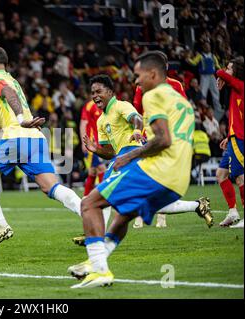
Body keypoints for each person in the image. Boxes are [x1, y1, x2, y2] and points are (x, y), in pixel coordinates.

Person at [68, 52, 205, 288]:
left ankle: (99, 269)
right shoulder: (182, 102)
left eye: (139, 76)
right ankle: (96, 262)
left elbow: (161, 138)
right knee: (123, 214)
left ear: (153, 73)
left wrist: (130, 154)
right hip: (179, 179)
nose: (137, 82)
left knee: (89, 203)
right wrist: (97, 149)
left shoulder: (152, 96)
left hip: (155, 169)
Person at [72, 73, 212, 247]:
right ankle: (197, 205)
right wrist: (97, 150)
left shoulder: (122, 106)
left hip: (133, 154)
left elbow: (136, 118)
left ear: (109, 91)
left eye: (98, 91)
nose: (95, 96)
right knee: (146, 203)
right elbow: (109, 151)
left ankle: (94, 236)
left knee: (104, 193)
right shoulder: (101, 120)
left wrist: (137, 130)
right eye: (92, 93)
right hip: (120, 158)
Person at [0, 46, 82, 251]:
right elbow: (8, 118)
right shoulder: (12, 79)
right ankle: (90, 216)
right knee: (52, 187)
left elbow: (8, 94)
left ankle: (0, 226)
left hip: (16, 138)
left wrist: (21, 119)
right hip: (35, 139)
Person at [132, 51, 188, 228]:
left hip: (170, 138)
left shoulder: (176, 85)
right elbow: (137, 111)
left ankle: (161, 215)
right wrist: (136, 129)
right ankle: (141, 213)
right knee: (144, 176)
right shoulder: (142, 87)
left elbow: (183, 109)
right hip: (148, 137)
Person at [216, 56, 244, 228]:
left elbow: (219, 72)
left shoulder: (240, 86)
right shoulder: (236, 89)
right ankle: (232, 212)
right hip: (234, 137)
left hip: (241, 139)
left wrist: (221, 75)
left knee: (240, 177)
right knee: (221, 174)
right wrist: (229, 136)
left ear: (237, 71)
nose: (226, 70)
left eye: (230, 68)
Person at [79, 97, 106, 197]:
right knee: (101, 169)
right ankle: (104, 196)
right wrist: (84, 142)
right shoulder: (90, 105)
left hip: (99, 144)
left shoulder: (104, 106)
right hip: (91, 144)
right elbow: (83, 124)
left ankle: (85, 198)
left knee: (93, 171)